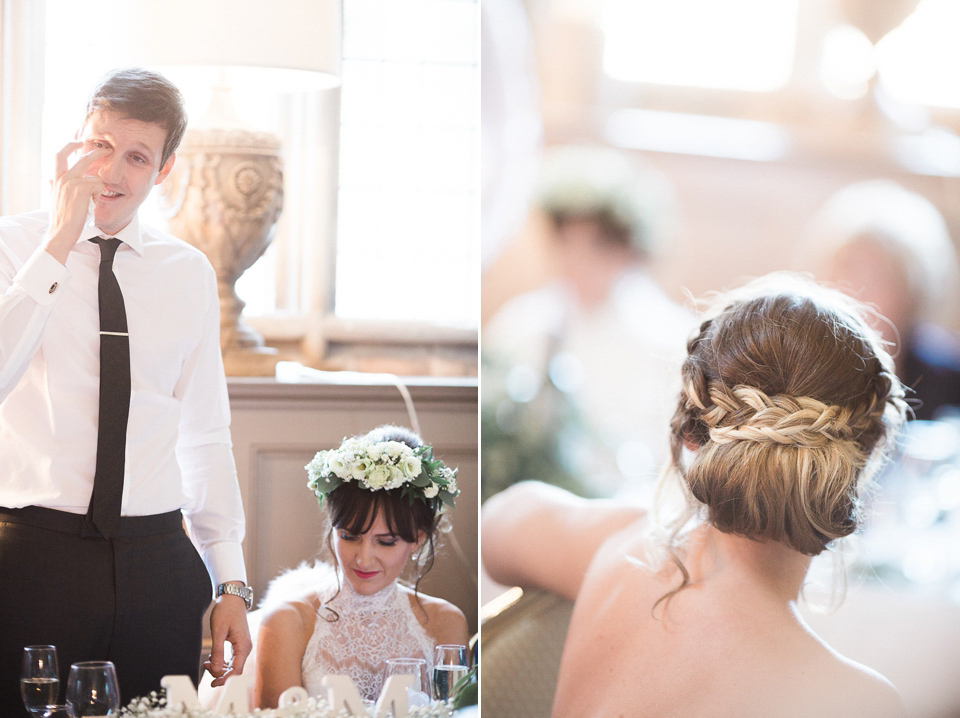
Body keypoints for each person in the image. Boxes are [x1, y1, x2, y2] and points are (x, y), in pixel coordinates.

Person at [483, 273, 909, 717]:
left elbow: (497, 525)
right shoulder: (858, 701)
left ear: (691, 431)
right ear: (869, 452)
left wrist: (631, 523)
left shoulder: (621, 548)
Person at [0, 68, 251, 712]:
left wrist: (231, 582)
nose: (111, 172)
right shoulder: (12, 247)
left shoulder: (187, 274)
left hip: (158, 563)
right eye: (100, 146)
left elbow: (205, 431)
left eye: (136, 157)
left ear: (163, 172)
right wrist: (60, 237)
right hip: (32, 559)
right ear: (74, 144)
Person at [483, 144, 693, 500]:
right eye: (567, 241)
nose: (577, 260)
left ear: (631, 248)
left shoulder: (672, 337)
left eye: (597, 245)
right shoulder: (525, 321)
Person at [254, 425, 469, 708]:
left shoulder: (446, 623)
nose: (364, 559)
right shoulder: (287, 622)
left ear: (417, 539)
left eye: (386, 542)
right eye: (350, 537)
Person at [800, 179, 960, 420]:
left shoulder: (948, 373)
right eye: (848, 269)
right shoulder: (805, 368)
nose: (859, 293)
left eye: (879, 277)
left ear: (914, 294)